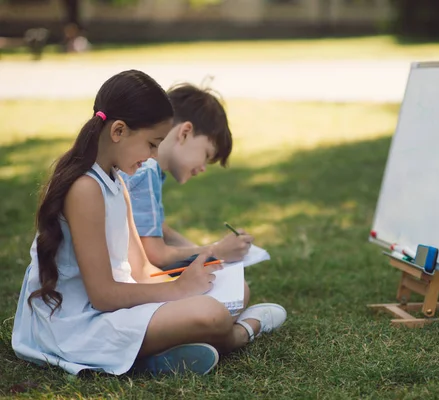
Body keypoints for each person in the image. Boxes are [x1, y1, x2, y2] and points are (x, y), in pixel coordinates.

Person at [11, 70, 286, 377]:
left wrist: (189, 282)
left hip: (111, 309)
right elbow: (102, 295)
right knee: (213, 315)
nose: (153, 156)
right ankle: (243, 331)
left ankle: (154, 356)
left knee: (229, 294)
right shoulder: (85, 189)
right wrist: (179, 290)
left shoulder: (117, 182)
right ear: (119, 131)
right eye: (152, 144)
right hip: (77, 327)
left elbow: (141, 270)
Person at [118, 83, 252, 272]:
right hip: (116, 286)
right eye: (206, 155)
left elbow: (162, 231)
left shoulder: (146, 166)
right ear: (185, 133)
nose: (203, 168)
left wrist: (209, 252)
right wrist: (216, 251)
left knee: (214, 274)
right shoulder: (144, 170)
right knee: (234, 288)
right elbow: (155, 254)